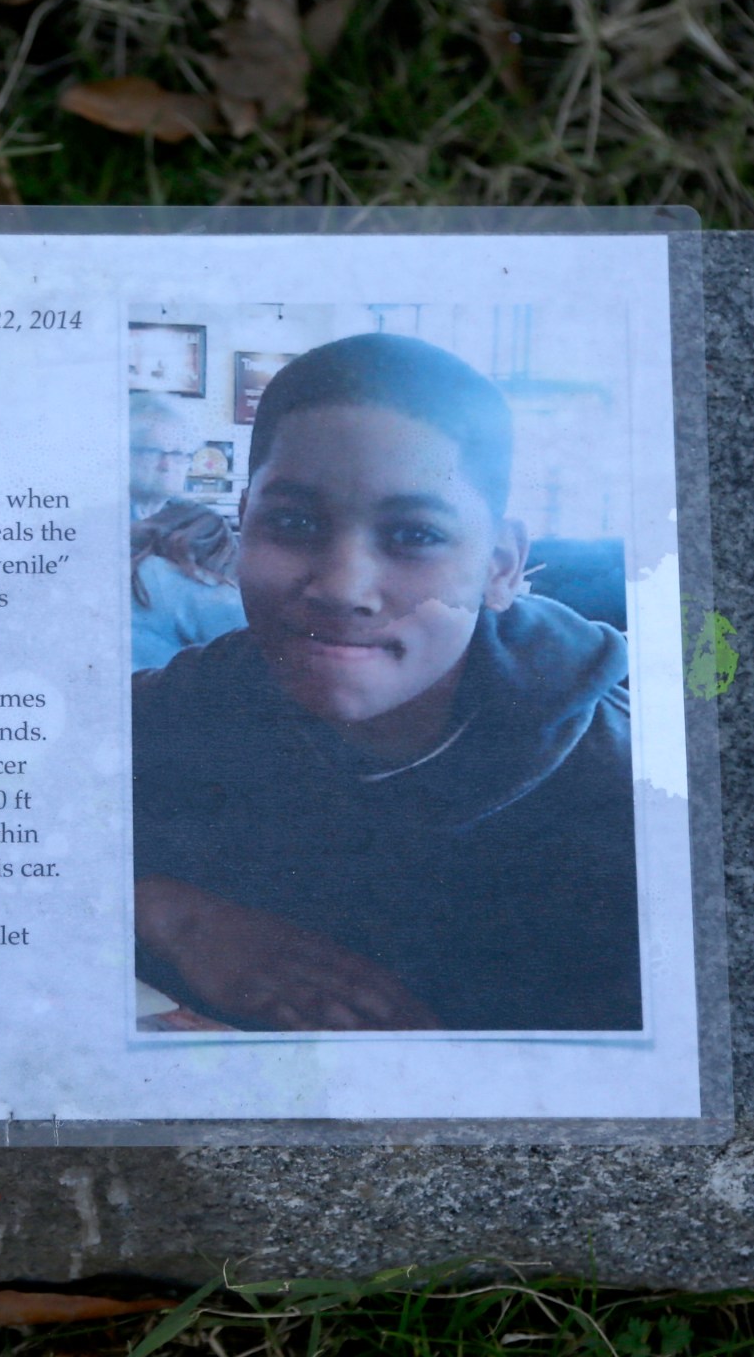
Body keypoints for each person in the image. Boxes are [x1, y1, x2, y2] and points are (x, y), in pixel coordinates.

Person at [131, 332, 639, 1033]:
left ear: (499, 566)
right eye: (293, 522)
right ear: (243, 525)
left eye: (415, 535)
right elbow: (9, 813)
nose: (342, 588)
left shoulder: (622, 803)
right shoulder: (216, 689)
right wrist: (171, 914)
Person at [129, 393, 246, 669]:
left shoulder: (203, 521)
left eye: (180, 454)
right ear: (124, 452)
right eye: (154, 451)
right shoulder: (94, 524)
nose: (168, 465)